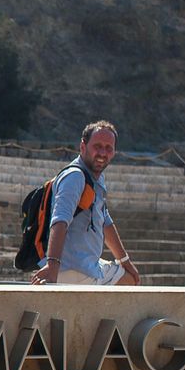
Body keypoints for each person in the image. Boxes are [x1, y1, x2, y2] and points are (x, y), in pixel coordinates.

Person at [31, 121, 140, 286]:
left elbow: (106, 222)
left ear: (114, 152)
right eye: (97, 146)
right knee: (130, 281)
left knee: (125, 275)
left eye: (108, 148)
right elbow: (60, 221)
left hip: (82, 265)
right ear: (83, 147)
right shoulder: (75, 177)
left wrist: (125, 261)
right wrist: (52, 265)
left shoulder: (95, 177)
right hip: (73, 269)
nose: (102, 153)